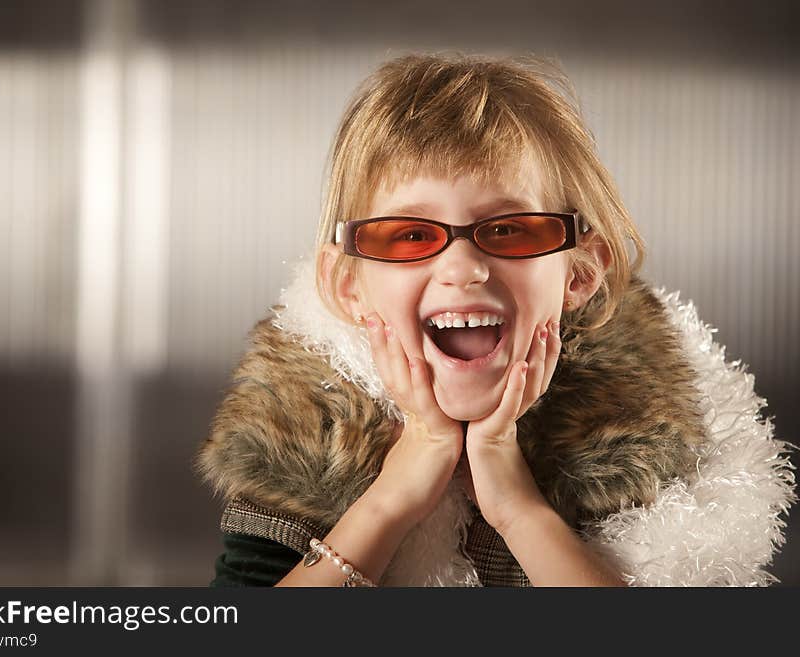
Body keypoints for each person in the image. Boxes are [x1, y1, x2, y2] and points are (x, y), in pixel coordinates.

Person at [197, 53, 796, 586]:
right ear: (348, 285)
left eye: (508, 229)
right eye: (409, 234)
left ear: (579, 275)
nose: (462, 267)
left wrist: (517, 506)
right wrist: (391, 499)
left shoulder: (652, 437)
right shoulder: (299, 433)